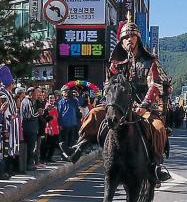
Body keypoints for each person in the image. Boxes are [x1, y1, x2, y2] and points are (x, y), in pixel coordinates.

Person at [73, 14, 172, 181]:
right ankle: (80, 145)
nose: (129, 39)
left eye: (132, 36)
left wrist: (146, 105)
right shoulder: (115, 64)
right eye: (125, 37)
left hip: (142, 105)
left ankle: (156, 164)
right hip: (118, 104)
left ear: (138, 39)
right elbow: (108, 84)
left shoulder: (149, 61)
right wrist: (108, 99)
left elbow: (154, 85)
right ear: (121, 41)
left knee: (158, 127)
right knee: (95, 113)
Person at [56, 86, 79, 158]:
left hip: (72, 123)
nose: (66, 92)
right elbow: (59, 114)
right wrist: (59, 124)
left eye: (67, 91)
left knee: (71, 140)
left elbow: (78, 106)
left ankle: (71, 154)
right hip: (64, 123)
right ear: (62, 93)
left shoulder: (73, 100)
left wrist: (75, 96)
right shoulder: (60, 102)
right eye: (64, 91)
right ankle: (64, 155)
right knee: (64, 141)